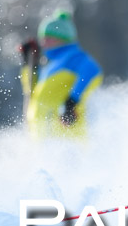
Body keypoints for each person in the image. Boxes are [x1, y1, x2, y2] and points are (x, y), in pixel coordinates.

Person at [19, 10, 103, 139]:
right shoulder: (49, 65)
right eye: (42, 38)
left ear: (63, 39)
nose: (43, 43)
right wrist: (29, 63)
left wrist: (72, 101)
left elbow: (92, 72)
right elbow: (31, 92)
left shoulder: (73, 57)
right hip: (43, 141)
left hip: (68, 141)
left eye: (49, 38)